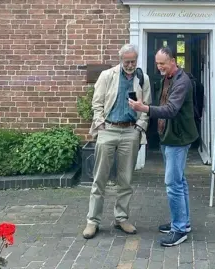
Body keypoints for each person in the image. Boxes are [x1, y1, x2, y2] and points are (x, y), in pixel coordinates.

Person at [128, 46, 199, 247]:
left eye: (162, 64)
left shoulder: (182, 81)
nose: (159, 67)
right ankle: (183, 223)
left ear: (173, 61)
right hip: (168, 137)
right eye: (157, 63)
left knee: (173, 184)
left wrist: (144, 108)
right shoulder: (167, 78)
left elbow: (171, 110)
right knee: (179, 182)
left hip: (178, 139)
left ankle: (179, 230)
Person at [83, 44, 151, 239]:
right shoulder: (107, 76)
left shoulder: (142, 78)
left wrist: (139, 127)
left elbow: (146, 105)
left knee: (126, 179)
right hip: (108, 129)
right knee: (100, 178)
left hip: (130, 131)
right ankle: (92, 221)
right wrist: (100, 123)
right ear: (120, 59)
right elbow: (97, 103)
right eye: (127, 61)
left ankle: (121, 218)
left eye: (133, 61)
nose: (130, 65)